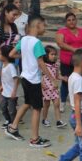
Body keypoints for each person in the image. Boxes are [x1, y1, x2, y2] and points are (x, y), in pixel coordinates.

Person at [5, 16, 59, 148]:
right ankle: (34, 139)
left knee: (27, 103)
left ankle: (12, 127)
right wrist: (52, 79)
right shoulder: (37, 43)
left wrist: (24, 56)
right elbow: (41, 63)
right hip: (33, 80)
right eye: (44, 26)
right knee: (37, 108)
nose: (45, 28)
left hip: (24, 77)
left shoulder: (23, 40)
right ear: (38, 25)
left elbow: (11, 54)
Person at [55, 12, 82, 112]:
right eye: (69, 20)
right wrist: (74, 50)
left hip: (81, 61)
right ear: (66, 22)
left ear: (76, 20)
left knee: (81, 80)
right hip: (67, 61)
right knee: (66, 81)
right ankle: (62, 103)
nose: (71, 22)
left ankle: (80, 102)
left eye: (73, 19)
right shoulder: (61, 31)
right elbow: (60, 44)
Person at [0, 3, 20, 121]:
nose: (15, 17)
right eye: (13, 14)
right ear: (6, 12)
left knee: (10, 83)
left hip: (11, 58)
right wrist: (2, 57)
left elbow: (15, 43)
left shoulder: (14, 27)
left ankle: (10, 111)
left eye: (16, 15)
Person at [41, 45, 67, 128]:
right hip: (46, 88)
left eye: (55, 54)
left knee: (57, 104)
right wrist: (42, 84)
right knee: (46, 105)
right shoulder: (43, 65)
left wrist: (63, 78)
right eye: (52, 54)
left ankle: (59, 121)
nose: (54, 56)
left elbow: (57, 76)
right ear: (46, 55)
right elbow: (39, 76)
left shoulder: (56, 65)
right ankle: (44, 119)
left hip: (54, 88)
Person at [0, 45, 19, 130]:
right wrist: (1, 86)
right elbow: (4, 78)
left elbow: (16, 79)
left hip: (11, 93)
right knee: (2, 106)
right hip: (4, 92)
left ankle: (13, 122)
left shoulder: (11, 67)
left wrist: (14, 91)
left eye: (0, 54)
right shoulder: (3, 65)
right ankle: (8, 120)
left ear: (5, 56)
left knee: (12, 110)